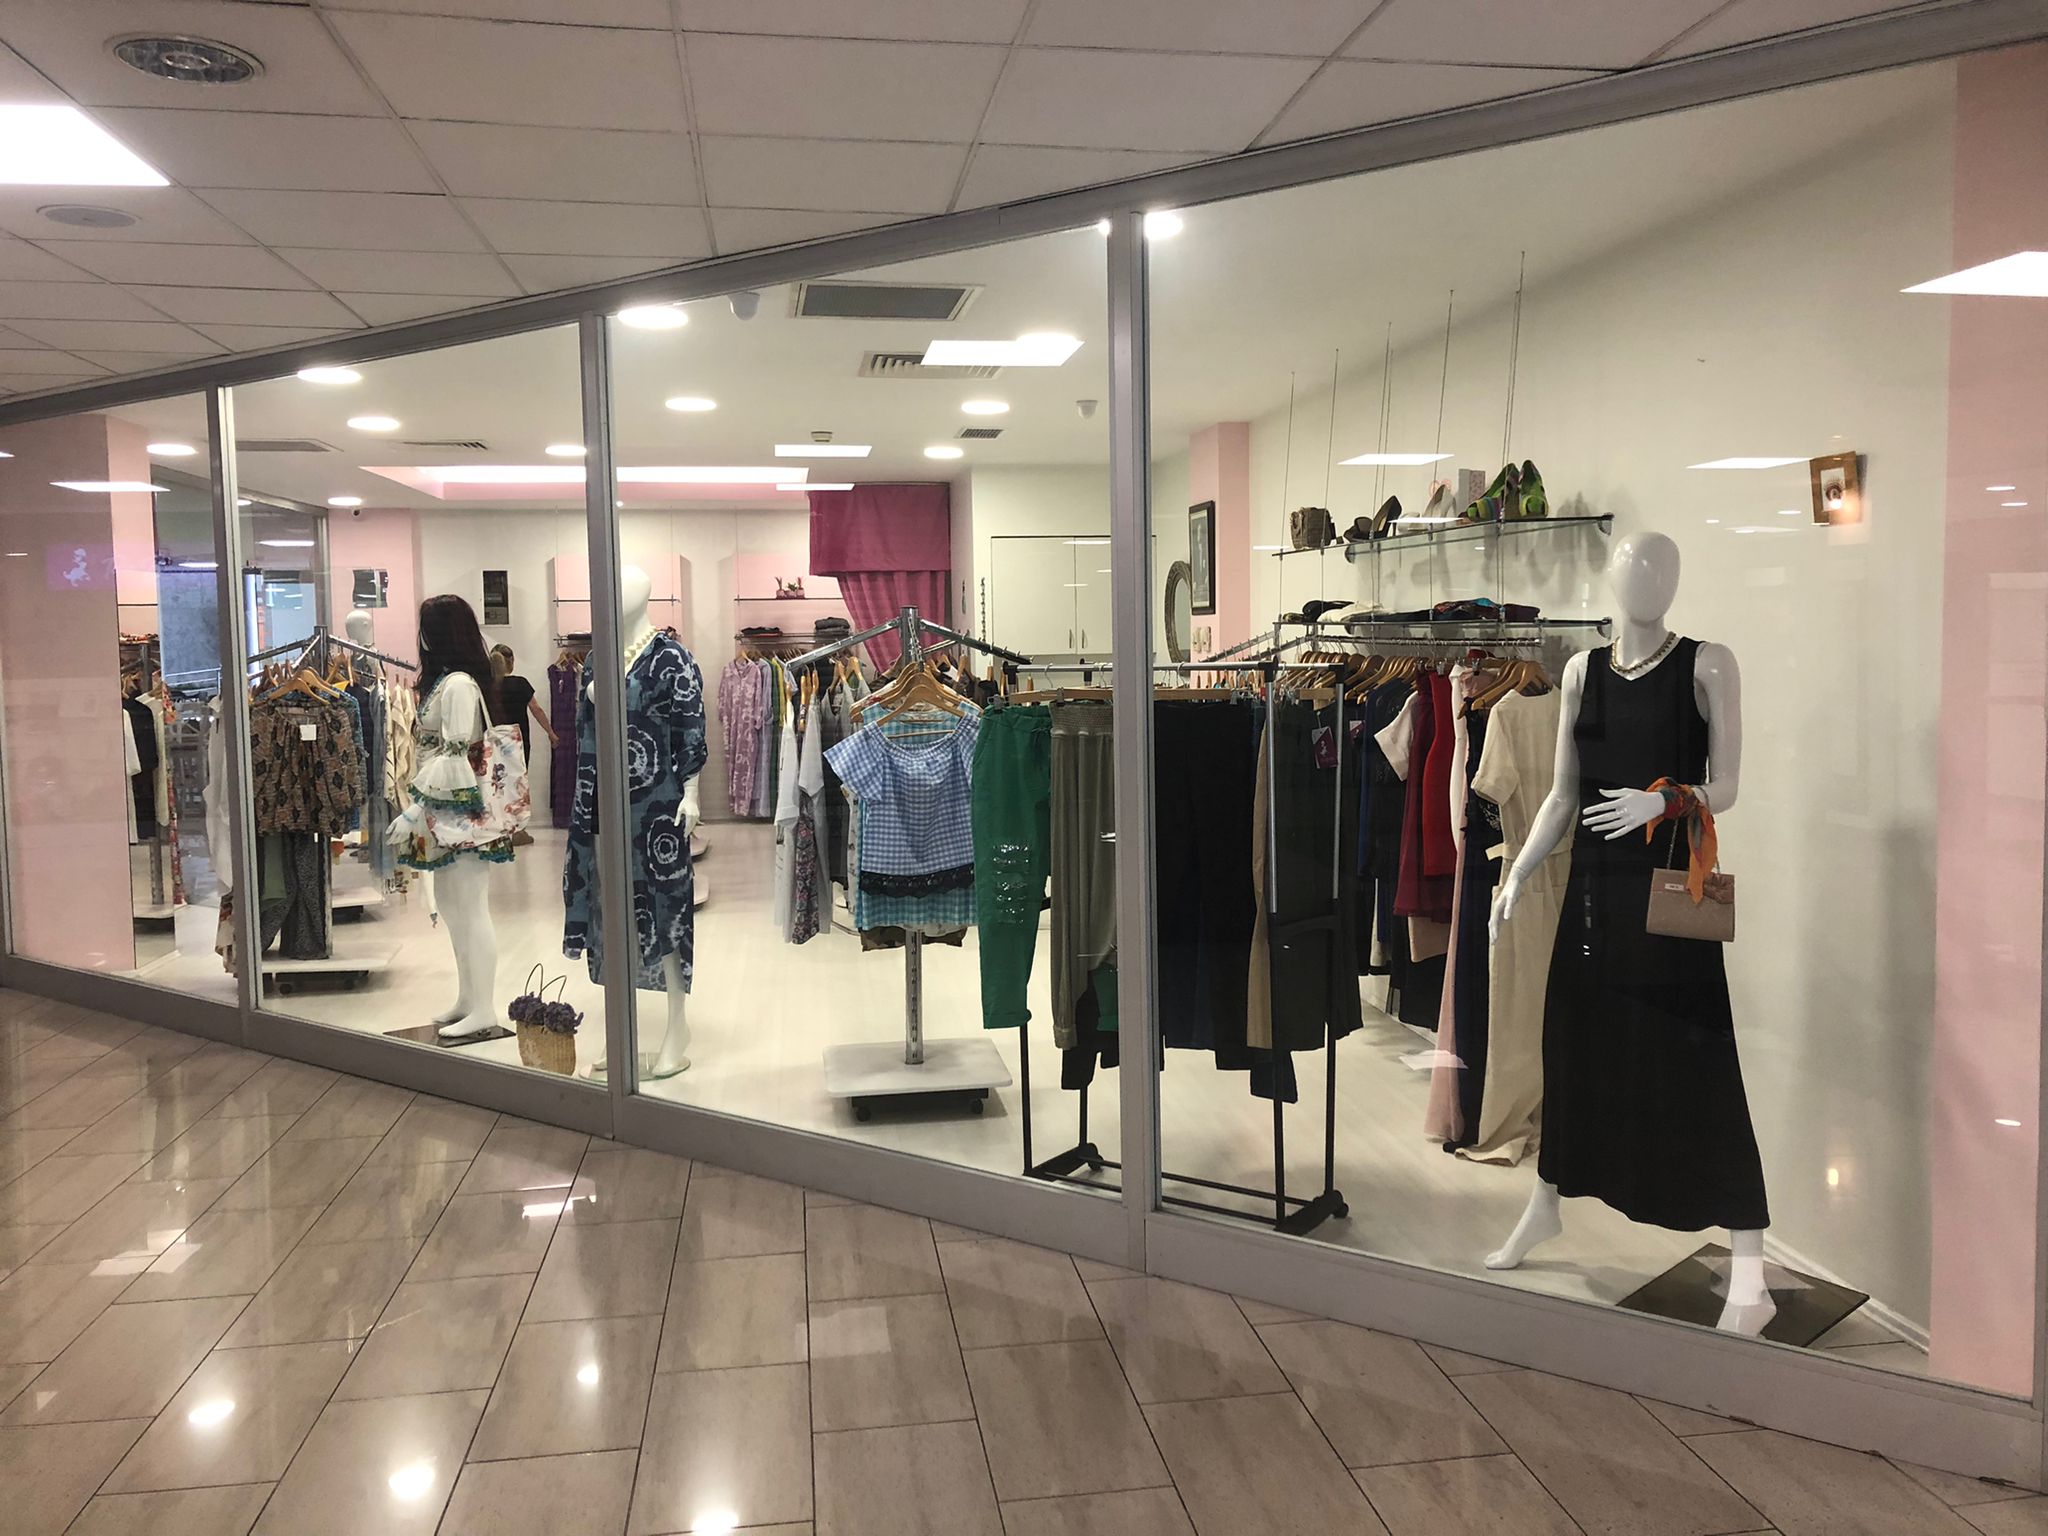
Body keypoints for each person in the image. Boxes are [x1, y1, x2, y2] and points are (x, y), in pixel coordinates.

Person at [490, 644, 558, 762]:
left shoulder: (488, 685)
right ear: (512, 661)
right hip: (518, 739)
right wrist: (550, 732)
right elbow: (536, 709)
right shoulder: (520, 683)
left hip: (493, 738)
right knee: (519, 772)